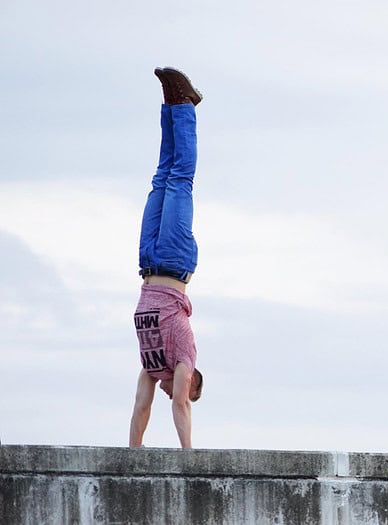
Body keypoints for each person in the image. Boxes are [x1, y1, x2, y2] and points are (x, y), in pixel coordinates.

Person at [129, 67, 204, 449]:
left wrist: (133, 455)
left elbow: (141, 408)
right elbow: (179, 403)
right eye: (185, 390)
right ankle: (187, 107)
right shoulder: (184, 355)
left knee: (160, 177)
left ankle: (170, 102)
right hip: (175, 262)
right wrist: (188, 455)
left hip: (147, 261)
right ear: (190, 380)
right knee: (179, 179)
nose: (173, 392)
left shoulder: (151, 369)